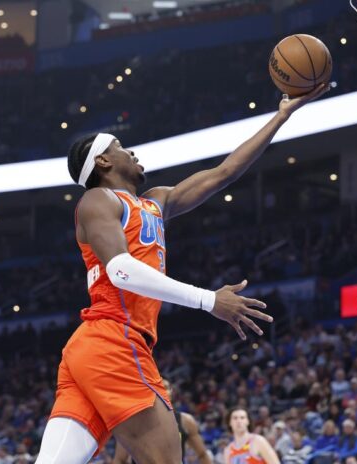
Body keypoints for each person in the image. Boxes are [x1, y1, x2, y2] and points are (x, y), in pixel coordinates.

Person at [34, 83, 329, 464]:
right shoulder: (98, 199)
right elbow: (120, 270)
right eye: (121, 146)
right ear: (103, 162)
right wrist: (209, 300)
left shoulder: (155, 202)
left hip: (93, 349)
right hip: (114, 340)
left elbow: (224, 172)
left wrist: (282, 116)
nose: (132, 152)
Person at [112, 379, 212, 464]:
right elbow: (119, 459)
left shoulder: (186, 421)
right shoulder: (132, 422)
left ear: (171, 392)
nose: (162, 391)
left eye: (166, 388)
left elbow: (202, 454)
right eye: (157, 388)